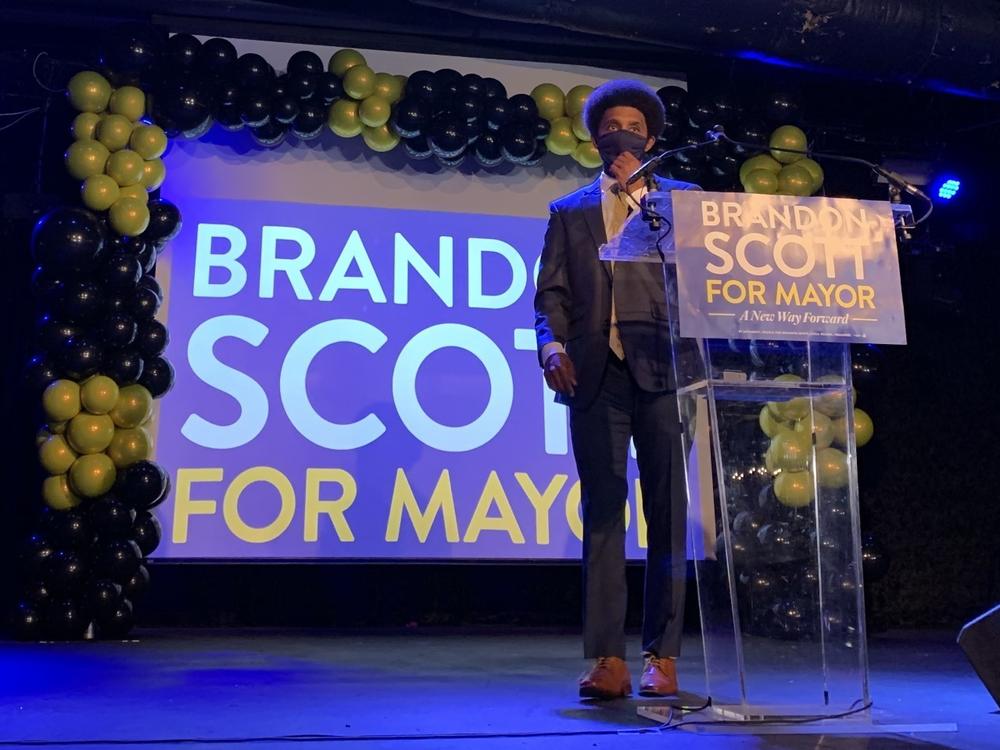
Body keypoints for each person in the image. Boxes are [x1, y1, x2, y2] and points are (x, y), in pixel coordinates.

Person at [533, 79, 699, 700]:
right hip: (595, 376)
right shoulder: (570, 210)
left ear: (650, 139)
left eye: (631, 126)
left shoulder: (683, 203)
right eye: (608, 126)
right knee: (604, 515)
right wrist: (551, 345)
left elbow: (704, 275)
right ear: (595, 138)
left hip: (664, 372)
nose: (618, 134)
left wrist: (641, 199)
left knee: (667, 515)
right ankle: (607, 658)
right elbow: (549, 295)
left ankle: (663, 657)